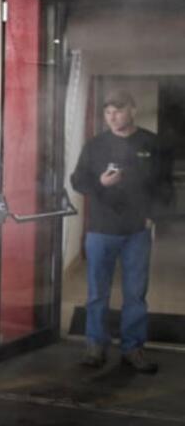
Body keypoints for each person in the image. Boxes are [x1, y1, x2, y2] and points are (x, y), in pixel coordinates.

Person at [70, 90, 172, 373]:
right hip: (101, 230)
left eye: (119, 110)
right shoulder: (95, 145)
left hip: (137, 231)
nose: (113, 117)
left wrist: (154, 215)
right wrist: (101, 183)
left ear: (133, 110)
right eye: (108, 112)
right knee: (97, 293)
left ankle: (133, 348)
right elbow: (78, 180)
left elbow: (164, 185)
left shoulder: (151, 143)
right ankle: (95, 345)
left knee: (136, 294)